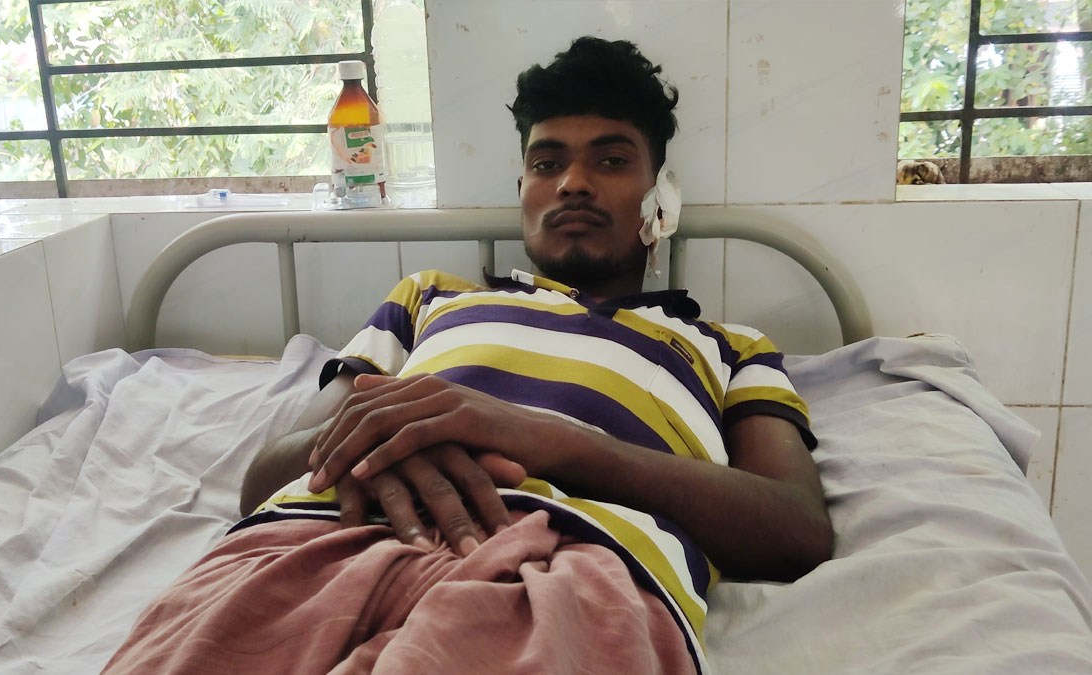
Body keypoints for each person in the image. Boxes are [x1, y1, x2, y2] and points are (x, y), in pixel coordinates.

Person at [103, 37, 832, 675]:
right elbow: (264, 477)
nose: (573, 182)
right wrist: (387, 439)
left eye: (612, 160)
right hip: (319, 533)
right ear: (522, 190)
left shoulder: (729, 349)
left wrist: (548, 439)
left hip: (575, 564)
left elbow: (796, 530)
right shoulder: (429, 298)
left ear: (661, 194)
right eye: (547, 162)